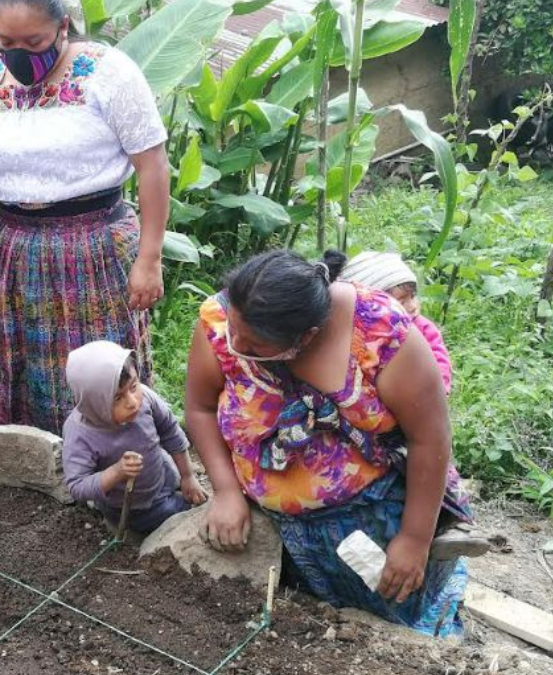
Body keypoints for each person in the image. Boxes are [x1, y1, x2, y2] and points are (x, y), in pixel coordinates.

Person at [184, 250, 481, 637]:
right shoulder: (221, 321)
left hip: (374, 517)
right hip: (277, 527)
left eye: (255, 345)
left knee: (394, 617)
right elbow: (200, 408)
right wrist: (226, 491)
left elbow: (429, 438)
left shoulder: (379, 332)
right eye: (234, 330)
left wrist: (414, 539)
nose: (235, 342)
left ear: (305, 337)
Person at [0, 0, 169, 435]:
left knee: (102, 365)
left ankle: (120, 466)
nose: (18, 55)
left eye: (33, 42)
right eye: (6, 43)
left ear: (63, 27)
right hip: (15, 247)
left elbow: (152, 165)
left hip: (96, 245)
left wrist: (149, 259)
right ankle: (41, 463)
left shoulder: (108, 73)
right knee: (25, 361)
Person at [62, 341, 207, 534]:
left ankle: (177, 486)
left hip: (162, 475)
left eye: (133, 386)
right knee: (178, 514)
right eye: (117, 398)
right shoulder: (80, 433)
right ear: (94, 402)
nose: (132, 402)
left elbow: (169, 431)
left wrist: (187, 476)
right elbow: (77, 485)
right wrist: (116, 472)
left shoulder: (144, 397)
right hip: (131, 506)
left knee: (178, 481)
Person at [341, 251, 451, 392]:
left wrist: (438, 389)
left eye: (412, 297)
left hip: (416, 393)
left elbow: (438, 358)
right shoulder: (356, 335)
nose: (412, 306)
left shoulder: (421, 327)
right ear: (372, 307)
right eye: (402, 301)